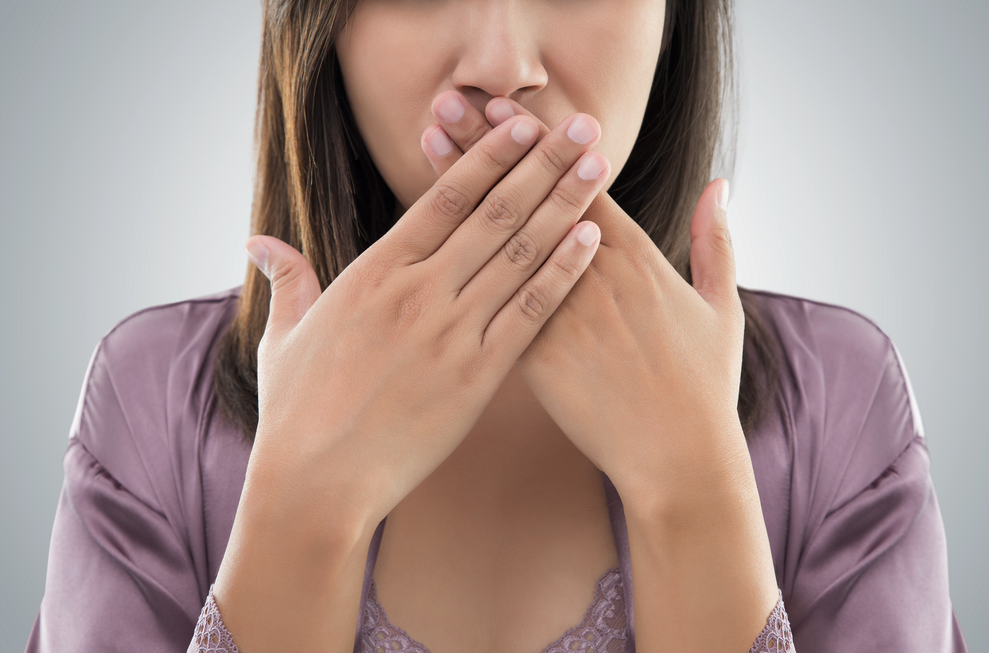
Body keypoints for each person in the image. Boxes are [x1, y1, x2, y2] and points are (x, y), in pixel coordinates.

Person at [25, 0, 969, 651]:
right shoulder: (150, 403)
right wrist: (300, 509)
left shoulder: (841, 404)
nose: (503, 69)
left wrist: (693, 490)